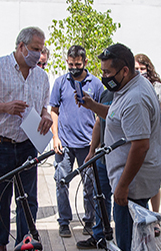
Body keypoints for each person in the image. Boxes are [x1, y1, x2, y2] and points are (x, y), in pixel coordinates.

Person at [78, 43, 161, 251]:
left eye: (108, 72)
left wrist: (122, 186)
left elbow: (140, 146)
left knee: (128, 241)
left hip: (133, 181)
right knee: (138, 236)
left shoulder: (136, 98)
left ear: (126, 70)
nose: (104, 77)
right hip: (128, 178)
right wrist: (93, 106)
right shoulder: (126, 88)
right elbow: (116, 116)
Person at [0, 26, 52, 251]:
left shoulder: (41, 76)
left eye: (41, 49)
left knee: (28, 200)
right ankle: (0, 240)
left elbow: (44, 107)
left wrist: (46, 117)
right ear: (21, 46)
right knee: (1, 198)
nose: (39, 54)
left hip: (28, 144)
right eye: (35, 49)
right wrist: (4, 108)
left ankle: (24, 245)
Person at [50, 45, 104, 238]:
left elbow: (101, 114)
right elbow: (54, 111)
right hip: (64, 144)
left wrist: (95, 143)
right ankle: (64, 221)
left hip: (87, 146)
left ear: (85, 63)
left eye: (77, 65)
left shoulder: (96, 84)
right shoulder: (60, 83)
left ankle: (89, 220)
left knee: (89, 184)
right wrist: (55, 137)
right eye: (70, 64)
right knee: (61, 182)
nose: (73, 68)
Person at [135, 53, 161, 237]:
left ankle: (155, 219)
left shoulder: (156, 86)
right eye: (136, 69)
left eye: (143, 68)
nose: (140, 72)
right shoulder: (131, 87)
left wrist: (154, 114)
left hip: (154, 138)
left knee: (156, 181)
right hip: (138, 138)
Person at [76, 89, 114, 249]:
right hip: (103, 157)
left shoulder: (130, 93)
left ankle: (131, 242)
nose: (106, 76)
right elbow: (99, 122)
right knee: (101, 199)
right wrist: (92, 151)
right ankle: (100, 236)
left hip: (122, 159)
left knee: (126, 201)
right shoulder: (106, 94)